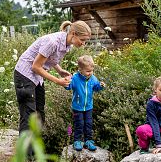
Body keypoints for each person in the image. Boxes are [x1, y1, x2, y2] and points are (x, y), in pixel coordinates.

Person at [13, 20, 91, 154]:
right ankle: (26, 158)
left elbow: (50, 59)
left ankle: (35, 153)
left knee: (39, 114)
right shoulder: (52, 42)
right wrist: (57, 80)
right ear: (73, 34)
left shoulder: (67, 44)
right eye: (83, 40)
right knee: (29, 115)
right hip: (25, 75)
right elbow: (35, 66)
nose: (83, 43)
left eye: (86, 41)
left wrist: (60, 71)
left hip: (36, 78)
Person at [64, 54, 105, 151]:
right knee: (79, 124)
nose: (90, 73)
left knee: (88, 124)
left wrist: (100, 86)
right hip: (77, 107)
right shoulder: (75, 78)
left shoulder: (93, 78)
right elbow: (69, 86)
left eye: (91, 71)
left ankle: (88, 141)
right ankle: (77, 141)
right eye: (87, 71)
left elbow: (95, 88)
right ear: (80, 69)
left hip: (89, 107)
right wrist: (66, 82)